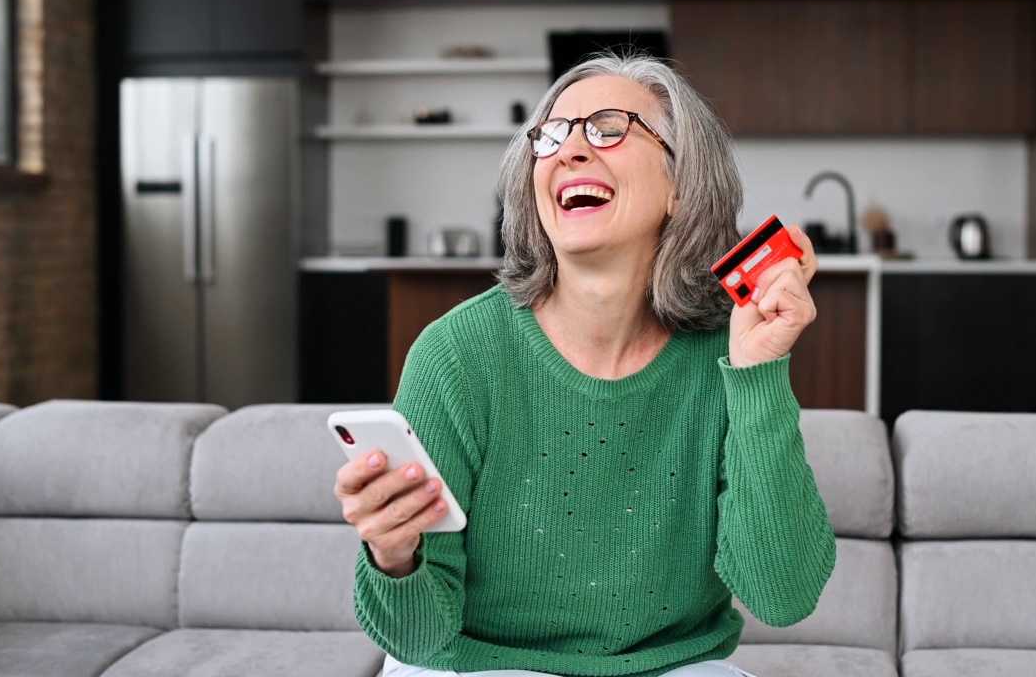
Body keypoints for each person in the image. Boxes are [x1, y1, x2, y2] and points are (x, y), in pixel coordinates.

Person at [334, 53, 836, 677]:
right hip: (480, 667)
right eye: (550, 135)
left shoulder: (724, 355)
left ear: (681, 186)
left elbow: (782, 596)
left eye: (607, 126)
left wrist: (759, 373)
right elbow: (415, 639)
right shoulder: (456, 355)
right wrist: (394, 556)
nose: (569, 150)